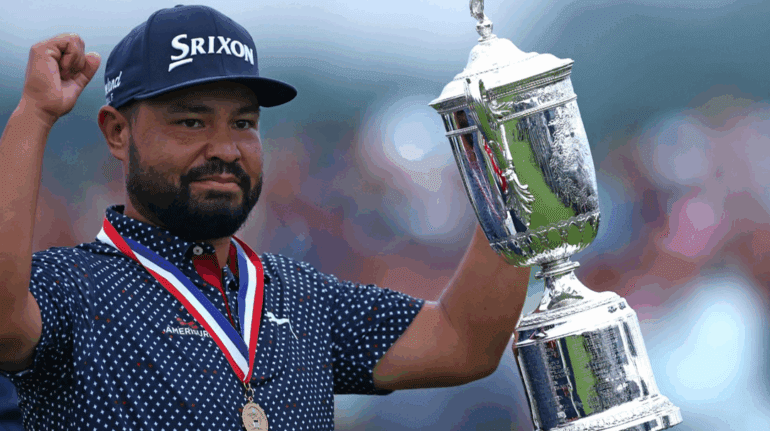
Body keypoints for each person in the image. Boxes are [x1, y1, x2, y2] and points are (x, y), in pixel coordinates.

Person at [0, 4, 529, 430]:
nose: (225, 148)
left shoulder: (300, 294)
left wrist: (517, 161)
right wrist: (34, 115)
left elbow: (462, 341)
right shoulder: (70, 286)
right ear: (118, 133)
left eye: (244, 123)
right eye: (191, 122)